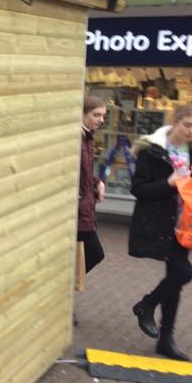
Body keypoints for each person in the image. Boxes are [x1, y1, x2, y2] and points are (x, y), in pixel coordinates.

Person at [129, 104, 192, 361]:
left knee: (175, 278)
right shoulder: (152, 149)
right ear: (175, 121)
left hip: (186, 223)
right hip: (160, 223)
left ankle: (165, 338)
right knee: (184, 273)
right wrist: (168, 182)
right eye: (187, 125)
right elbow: (138, 188)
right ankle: (147, 305)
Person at [77, 96, 107, 278]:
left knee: (81, 256)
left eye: (103, 116)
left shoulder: (88, 138)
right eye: (96, 115)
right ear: (82, 114)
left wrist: (98, 182)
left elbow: (85, 172)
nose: (101, 120)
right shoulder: (77, 139)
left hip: (86, 209)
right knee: (94, 253)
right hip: (79, 210)